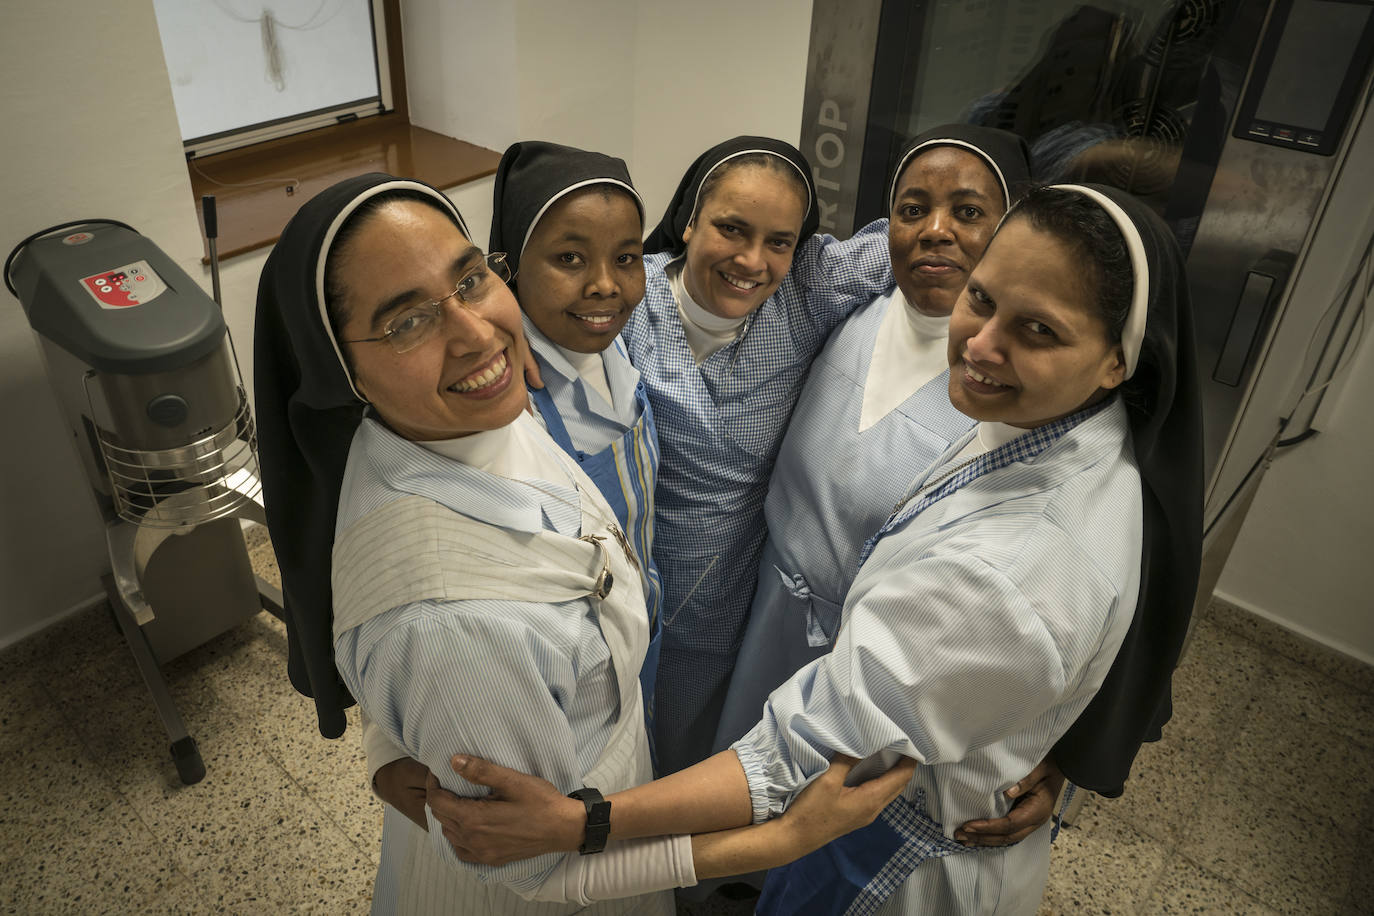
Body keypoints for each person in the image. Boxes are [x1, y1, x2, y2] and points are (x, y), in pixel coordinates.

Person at [423, 182, 1205, 914]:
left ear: (1118, 360)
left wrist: (580, 824)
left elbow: (796, 749)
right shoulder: (1061, 428)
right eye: (983, 300)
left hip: (899, 861)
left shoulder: (1007, 576)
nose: (980, 345)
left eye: (1037, 331)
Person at [252, 173, 915, 914]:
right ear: (341, 369)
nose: (475, 332)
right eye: (406, 322)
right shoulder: (461, 625)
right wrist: (779, 839)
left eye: (470, 280)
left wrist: (395, 740)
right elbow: (532, 873)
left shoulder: (457, 422)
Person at [365, 142, 667, 819]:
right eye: (568, 259)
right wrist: (383, 745)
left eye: (626, 257)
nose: (604, 286)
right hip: (554, 677)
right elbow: (418, 571)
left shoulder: (624, 343)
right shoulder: (494, 399)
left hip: (634, 624)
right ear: (506, 266)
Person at [714, 123, 1031, 758]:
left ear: (1012, 228)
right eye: (913, 209)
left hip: (878, 662)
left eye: (967, 212)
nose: (935, 229)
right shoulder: (849, 305)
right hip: (761, 614)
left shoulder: (1012, 381)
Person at [629, 136, 892, 777]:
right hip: (620, 582)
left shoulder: (802, 294)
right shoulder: (625, 301)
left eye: (779, 241)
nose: (753, 260)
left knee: (690, 753)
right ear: (690, 219)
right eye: (731, 229)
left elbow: (918, 243)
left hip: (726, 602)